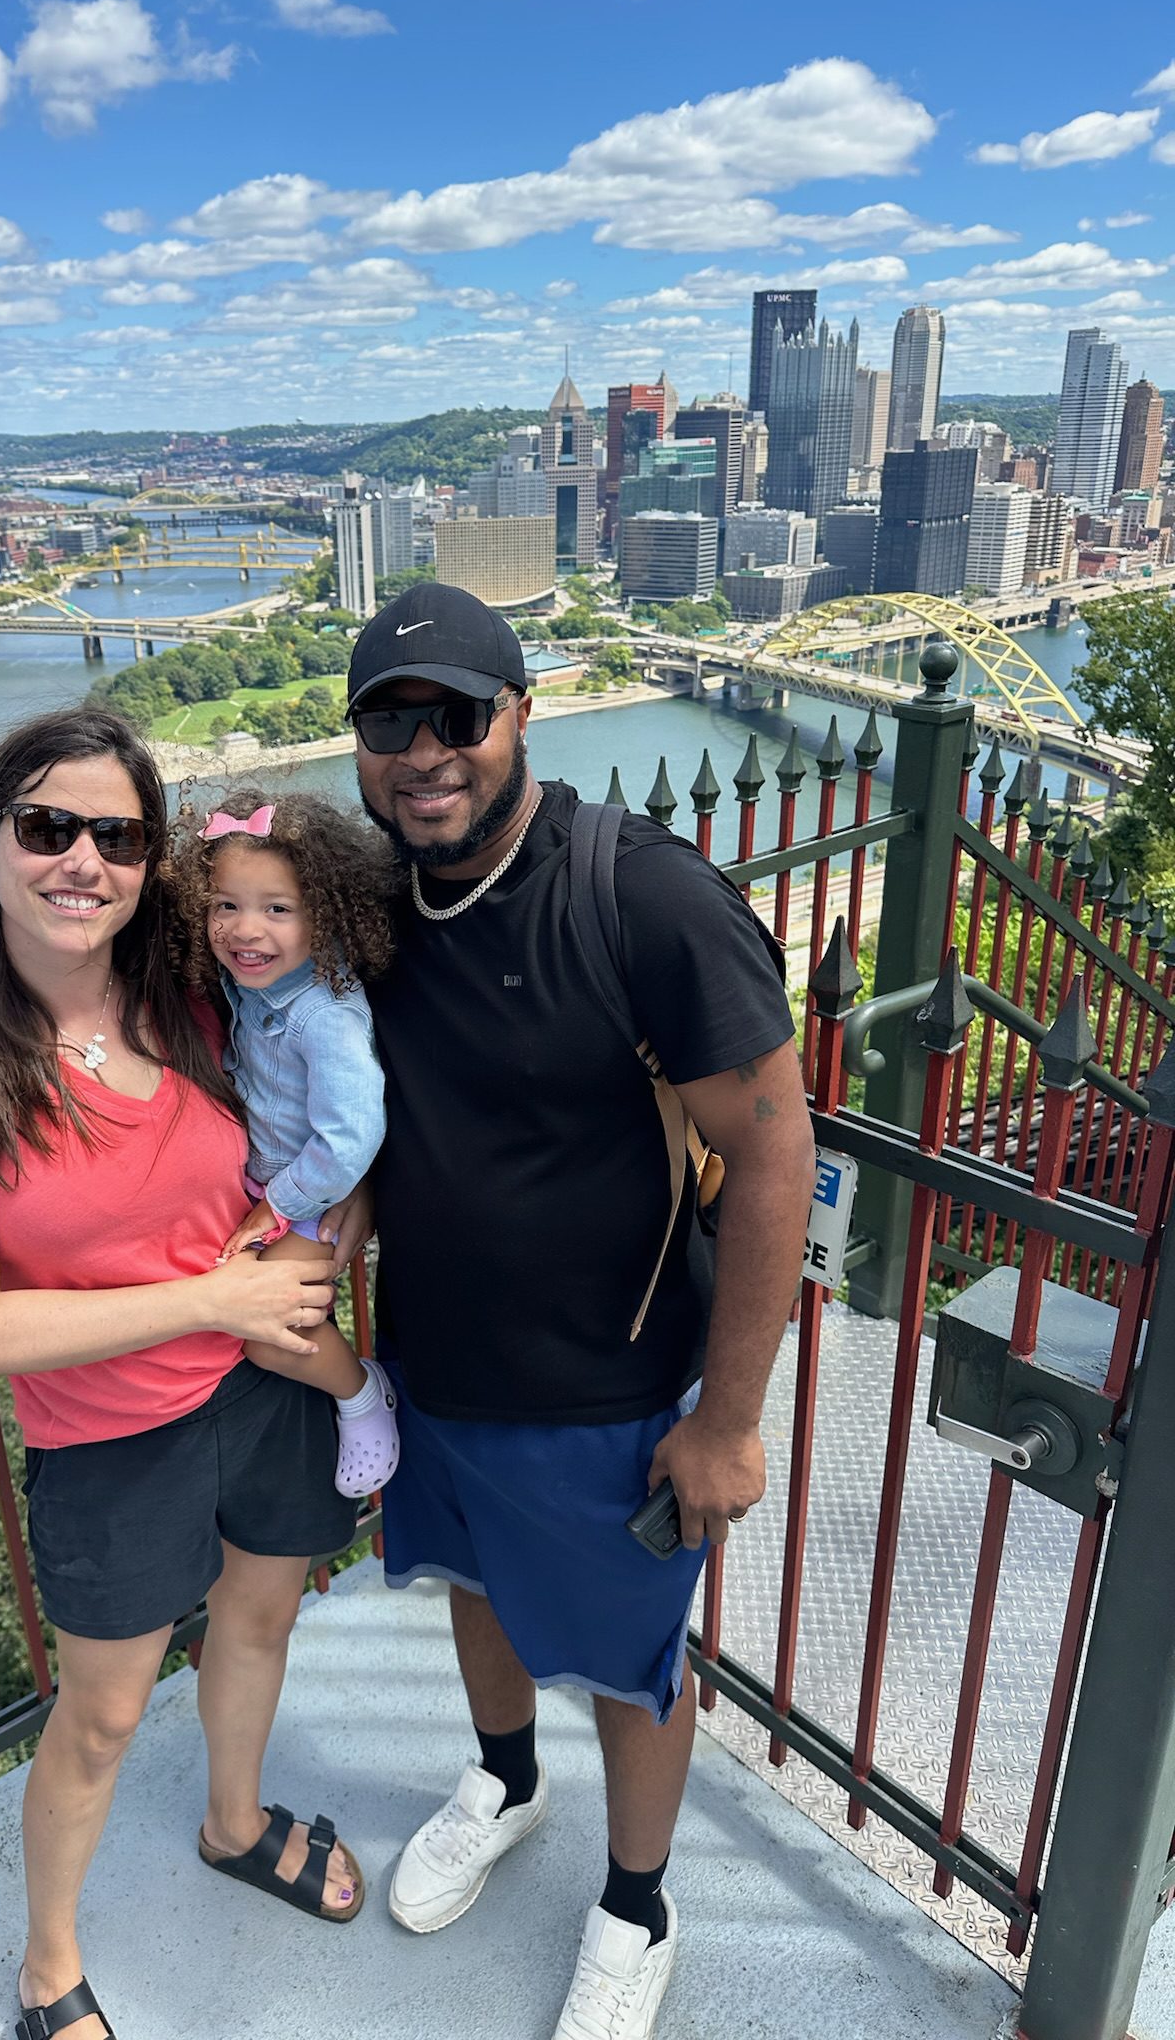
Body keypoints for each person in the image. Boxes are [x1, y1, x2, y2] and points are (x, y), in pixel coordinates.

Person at [348, 582, 815, 2040]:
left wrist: (730, 1422)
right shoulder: (371, 906)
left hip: (613, 1390)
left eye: (458, 716)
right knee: (475, 1591)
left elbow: (776, 1152)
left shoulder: (645, 895)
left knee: (630, 1657)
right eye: (388, 720)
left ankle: (639, 1901)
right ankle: (502, 1777)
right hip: (436, 1363)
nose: (426, 751)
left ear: (521, 717)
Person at [0, 707, 369, 2040]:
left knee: (262, 1620)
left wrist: (322, 1251)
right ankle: (47, 1970)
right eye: (48, 827)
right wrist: (220, 1294)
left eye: (120, 835)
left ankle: (236, 1822)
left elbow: (337, 1116)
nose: (83, 859)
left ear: (154, 862)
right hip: (112, 1433)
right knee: (103, 1713)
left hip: (265, 1387)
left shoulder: (193, 990)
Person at [169, 787, 401, 1497]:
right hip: (278, 1192)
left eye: (278, 909)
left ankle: (363, 1396)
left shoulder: (321, 1016)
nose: (246, 930)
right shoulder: (253, 989)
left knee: (268, 1338)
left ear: (324, 917)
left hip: (306, 1199)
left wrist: (278, 1206)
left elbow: (352, 1133)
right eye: (224, 905)